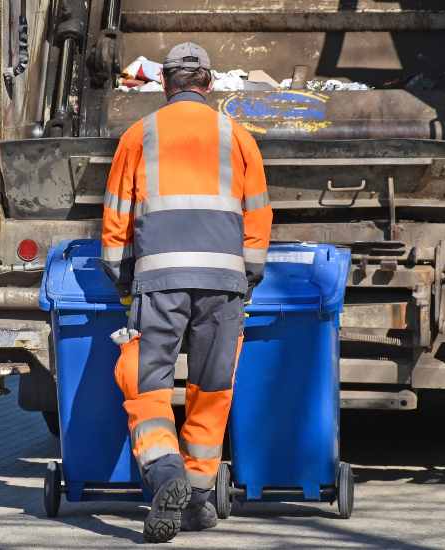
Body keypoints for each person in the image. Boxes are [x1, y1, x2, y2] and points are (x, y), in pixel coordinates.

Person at [100, 42, 272, 543]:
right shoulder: (238, 136)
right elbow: (258, 215)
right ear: (210, 84)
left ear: (166, 83)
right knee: (212, 389)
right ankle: (197, 499)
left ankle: (165, 476)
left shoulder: (139, 134)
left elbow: (117, 213)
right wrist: (249, 276)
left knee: (148, 384)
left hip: (159, 282)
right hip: (224, 284)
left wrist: (120, 274)